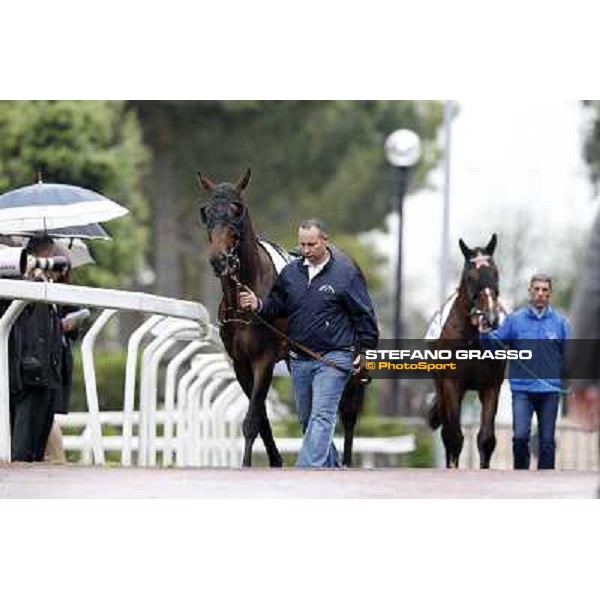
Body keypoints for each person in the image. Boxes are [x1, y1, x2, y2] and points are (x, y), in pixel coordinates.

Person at [239, 219, 379, 468]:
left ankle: (305, 473)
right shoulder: (291, 273)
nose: (305, 250)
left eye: (312, 244)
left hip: (335, 358)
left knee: (322, 417)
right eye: (302, 244)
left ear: (325, 240)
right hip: (300, 359)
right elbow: (275, 306)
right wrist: (257, 304)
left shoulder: (346, 273)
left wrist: (365, 351)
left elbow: (364, 315)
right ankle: (332, 468)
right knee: (307, 420)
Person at [476, 274, 569, 470]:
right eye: (536, 289)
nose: (540, 293)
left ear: (550, 294)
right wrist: (483, 332)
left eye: (544, 290)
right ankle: (520, 480)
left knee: (546, 442)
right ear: (530, 292)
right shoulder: (514, 321)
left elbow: (571, 356)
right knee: (520, 438)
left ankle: (546, 484)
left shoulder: (561, 323)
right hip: (522, 391)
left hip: (550, 392)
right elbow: (494, 346)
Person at [7, 235, 65, 461]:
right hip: (26, 370)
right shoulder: (19, 282)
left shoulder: (45, 284)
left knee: (37, 448)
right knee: (21, 450)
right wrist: (28, 277)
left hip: (45, 371)